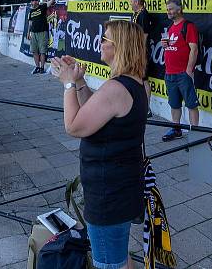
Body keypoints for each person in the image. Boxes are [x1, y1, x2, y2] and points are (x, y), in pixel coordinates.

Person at [51, 20, 147, 269]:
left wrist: (68, 84)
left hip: (109, 193)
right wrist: (81, 82)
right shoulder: (134, 83)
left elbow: (74, 126)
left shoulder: (115, 88)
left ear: (120, 47)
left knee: (109, 262)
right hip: (122, 185)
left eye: (105, 39)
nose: (100, 43)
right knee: (120, 258)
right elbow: (99, 111)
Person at [161, 0, 199, 141]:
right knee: (174, 103)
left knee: (191, 104)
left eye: (171, 9)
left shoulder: (188, 26)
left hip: (183, 73)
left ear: (179, 9)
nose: (168, 12)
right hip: (170, 73)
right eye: (167, 9)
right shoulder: (171, 27)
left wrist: (189, 71)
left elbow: (194, 49)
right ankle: (176, 129)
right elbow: (172, 46)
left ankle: (196, 134)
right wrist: (164, 45)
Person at [130, 0, 154, 116]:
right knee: (136, 77)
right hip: (134, 50)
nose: (130, 4)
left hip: (141, 51)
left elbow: (144, 35)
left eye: (131, 1)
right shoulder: (136, 14)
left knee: (144, 79)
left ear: (137, 2)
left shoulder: (144, 14)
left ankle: (147, 107)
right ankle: (138, 104)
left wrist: (139, 50)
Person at [27, 0, 54, 74]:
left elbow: (51, 0)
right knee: (34, 51)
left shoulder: (42, 7)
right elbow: (30, 23)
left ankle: (42, 67)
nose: (34, 2)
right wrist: (28, 33)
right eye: (33, 1)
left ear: (38, 2)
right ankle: (37, 67)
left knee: (42, 51)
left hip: (42, 32)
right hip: (33, 33)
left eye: (35, 0)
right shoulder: (31, 12)